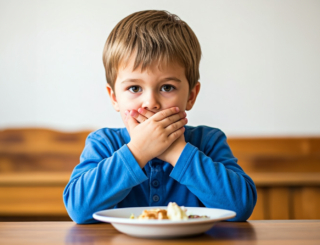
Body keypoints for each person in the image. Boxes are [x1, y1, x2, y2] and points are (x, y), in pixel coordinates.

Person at [63, 10, 257, 224]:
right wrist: (137, 152)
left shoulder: (208, 141)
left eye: (166, 87)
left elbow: (240, 206)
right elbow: (79, 209)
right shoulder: (104, 143)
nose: (150, 102)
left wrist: (177, 152)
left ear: (191, 96)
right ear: (114, 97)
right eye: (135, 87)